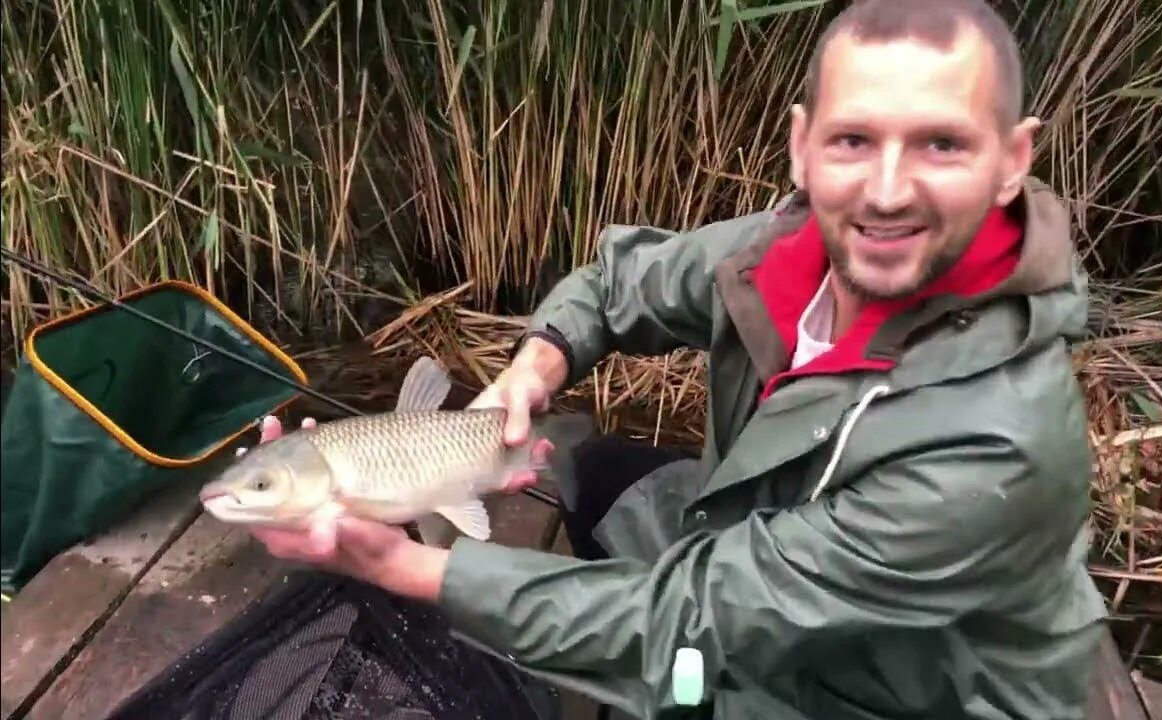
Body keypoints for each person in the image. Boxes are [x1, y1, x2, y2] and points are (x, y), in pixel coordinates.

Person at [246, 1, 1110, 718]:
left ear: (1012, 161)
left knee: (658, 632)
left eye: (942, 145)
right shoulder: (784, 252)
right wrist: (536, 364)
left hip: (906, 692)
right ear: (803, 147)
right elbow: (622, 285)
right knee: (599, 472)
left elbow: (694, 613)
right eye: (854, 141)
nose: (887, 189)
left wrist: (406, 566)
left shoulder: (999, 446)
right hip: (767, 573)